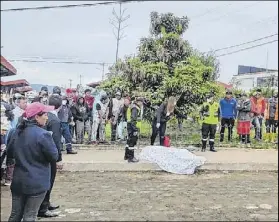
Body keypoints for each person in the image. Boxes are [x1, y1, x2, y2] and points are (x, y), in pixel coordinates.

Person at [6, 102, 58, 222]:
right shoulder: (44, 135)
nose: (47, 117)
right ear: (36, 117)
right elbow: (54, 156)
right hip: (37, 182)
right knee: (30, 216)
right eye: (45, 114)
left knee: (15, 215)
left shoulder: (16, 132)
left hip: (18, 181)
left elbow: (10, 154)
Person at [38, 95, 63, 218]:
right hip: (50, 154)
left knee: (45, 179)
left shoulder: (45, 115)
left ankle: (45, 203)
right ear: (60, 106)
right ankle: (43, 207)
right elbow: (56, 140)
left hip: (41, 153)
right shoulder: (54, 120)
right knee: (49, 180)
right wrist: (58, 158)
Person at [4, 94, 27, 186]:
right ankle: (9, 178)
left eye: (26, 102)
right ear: (18, 103)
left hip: (17, 137)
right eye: (24, 102)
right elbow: (12, 128)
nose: (26, 104)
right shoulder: (15, 113)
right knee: (12, 159)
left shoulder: (24, 112)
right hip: (14, 136)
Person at [124, 97, 144, 163]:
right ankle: (131, 158)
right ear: (139, 102)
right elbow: (133, 119)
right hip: (132, 127)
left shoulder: (132, 106)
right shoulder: (135, 108)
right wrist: (135, 129)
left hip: (130, 125)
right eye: (142, 103)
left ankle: (126, 155)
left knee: (129, 141)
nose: (142, 104)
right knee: (132, 142)